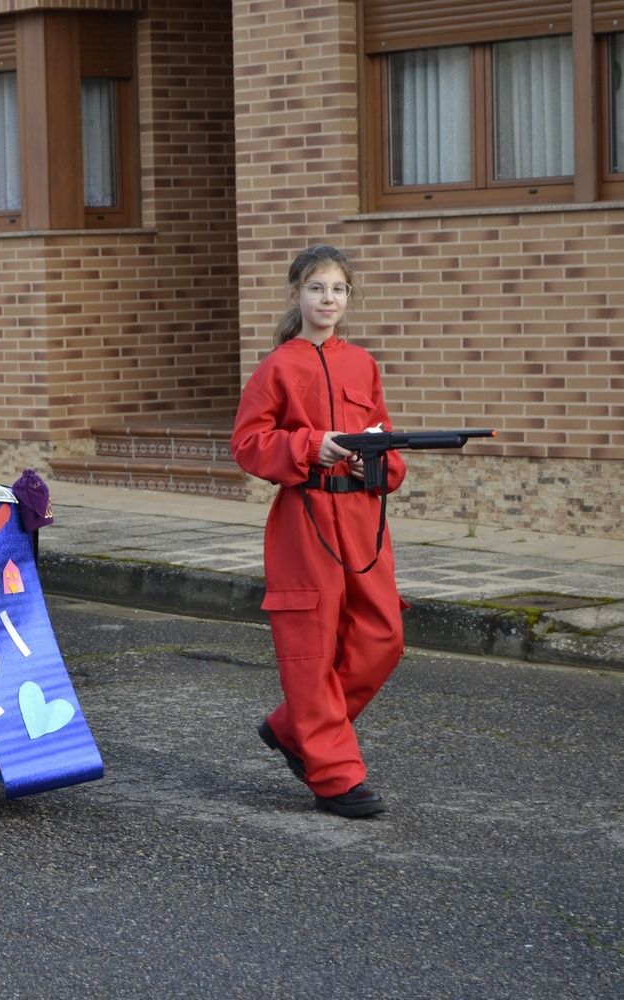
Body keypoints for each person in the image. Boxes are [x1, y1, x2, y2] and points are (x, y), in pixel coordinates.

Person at [229, 244, 406, 820]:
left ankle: (290, 728)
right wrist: (310, 445)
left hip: (362, 521)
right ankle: (333, 774)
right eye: (317, 288)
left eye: (338, 290)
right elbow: (248, 444)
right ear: (296, 295)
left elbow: (390, 450)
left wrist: (372, 464)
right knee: (311, 649)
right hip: (303, 521)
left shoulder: (363, 364)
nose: (328, 299)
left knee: (382, 638)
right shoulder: (277, 367)